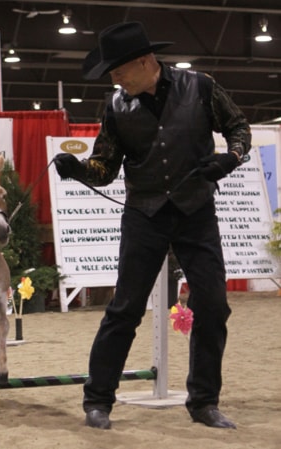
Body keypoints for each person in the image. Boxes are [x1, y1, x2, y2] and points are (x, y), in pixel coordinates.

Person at [54, 22, 251, 430]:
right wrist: (78, 170)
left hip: (196, 212)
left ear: (145, 62)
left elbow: (239, 129)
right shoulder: (116, 106)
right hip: (144, 215)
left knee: (213, 306)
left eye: (119, 71)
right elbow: (105, 167)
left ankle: (203, 402)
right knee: (124, 309)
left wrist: (230, 159)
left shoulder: (201, 87)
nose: (115, 80)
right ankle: (98, 401)